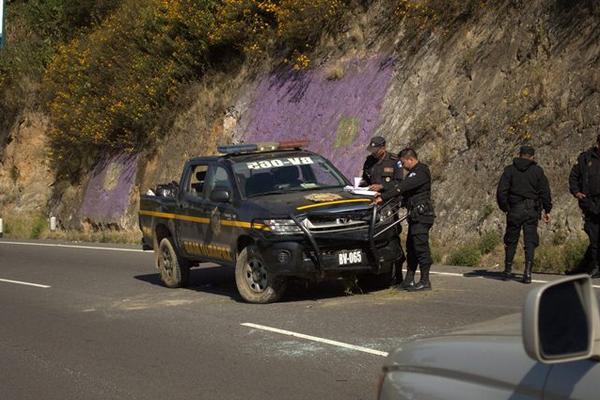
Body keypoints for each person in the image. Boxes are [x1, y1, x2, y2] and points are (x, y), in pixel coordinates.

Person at [378, 148, 435, 292]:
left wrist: (383, 197)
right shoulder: (413, 173)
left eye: (403, 163)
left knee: (421, 248)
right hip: (415, 216)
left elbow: (402, 188)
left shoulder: (420, 171)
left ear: (410, 159)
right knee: (411, 248)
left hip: (422, 216)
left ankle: (425, 281)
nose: (402, 166)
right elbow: (405, 194)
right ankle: (409, 280)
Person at [496, 146, 552, 284]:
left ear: (519, 155)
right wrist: (547, 209)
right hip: (531, 210)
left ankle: (508, 270)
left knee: (511, 240)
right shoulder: (537, 171)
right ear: (532, 157)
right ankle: (527, 273)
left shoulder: (509, 170)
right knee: (530, 241)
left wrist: (506, 208)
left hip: (514, 209)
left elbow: (501, 192)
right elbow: (545, 192)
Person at [362, 136, 405, 285]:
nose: (373, 153)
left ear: (383, 148)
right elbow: (365, 180)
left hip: (389, 203)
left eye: (376, 150)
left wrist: (381, 187)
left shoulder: (395, 161)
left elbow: (400, 183)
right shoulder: (369, 161)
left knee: (391, 235)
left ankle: (397, 273)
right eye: (372, 150)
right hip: (373, 203)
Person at [568, 135, 600, 278]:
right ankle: (595, 266)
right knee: (594, 236)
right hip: (590, 202)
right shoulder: (586, 158)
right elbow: (574, 176)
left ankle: (585, 266)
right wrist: (576, 192)